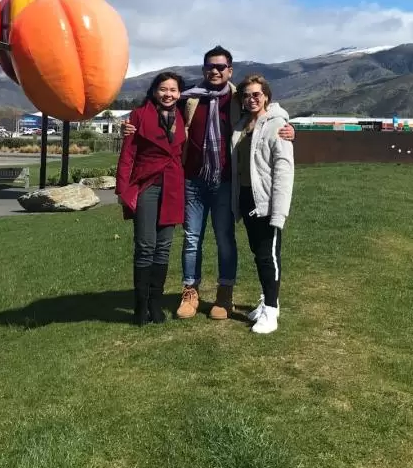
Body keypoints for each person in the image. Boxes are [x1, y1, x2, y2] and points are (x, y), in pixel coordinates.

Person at [121, 45, 295, 320]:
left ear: (230, 70)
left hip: (225, 181)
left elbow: (267, 109)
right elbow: (156, 106)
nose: (215, 71)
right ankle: (190, 291)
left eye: (221, 67)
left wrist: (288, 124)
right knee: (192, 239)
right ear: (203, 69)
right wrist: (128, 124)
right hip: (192, 180)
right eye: (210, 66)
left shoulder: (239, 98)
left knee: (225, 240)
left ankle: (224, 294)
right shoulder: (189, 97)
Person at [115, 71, 187, 326]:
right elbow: (127, 155)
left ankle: (156, 304)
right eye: (163, 89)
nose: (168, 94)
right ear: (154, 91)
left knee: (164, 246)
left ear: (180, 94)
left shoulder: (182, 116)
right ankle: (140, 306)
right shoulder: (138, 116)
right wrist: (123, 190)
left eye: (173, 90)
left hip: (173, 186)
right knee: (145, 246)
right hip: (147, 185)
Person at [230, 74, 294, 334]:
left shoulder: (278, 125)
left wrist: (279, 211)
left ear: (266, 95)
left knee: (269, 256)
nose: (252, 98)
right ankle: (268, 302)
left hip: (267, 200)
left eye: (256, 94)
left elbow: (284, 168)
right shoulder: (242, 125)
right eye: (246, 95)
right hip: (247, 197)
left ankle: (271, 310)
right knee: (259, 253)